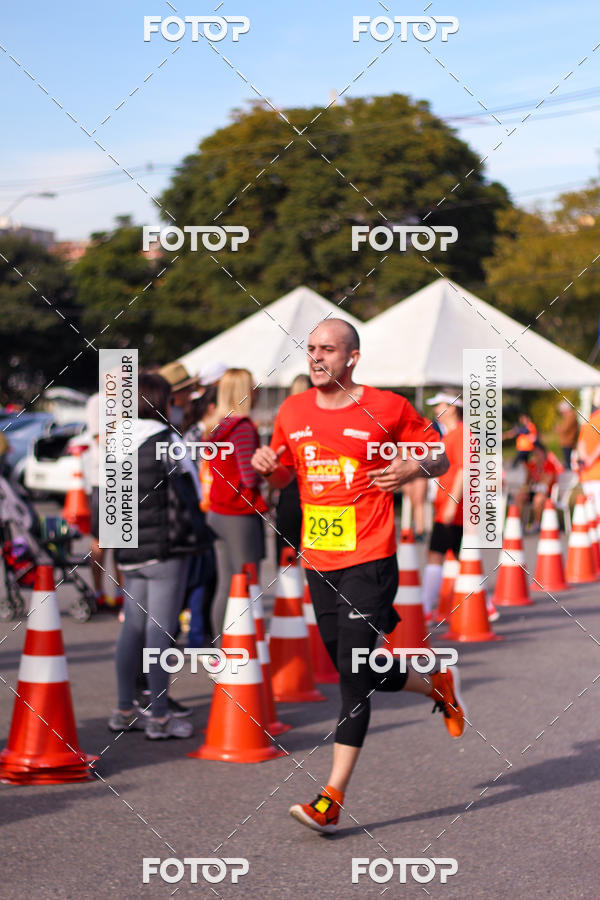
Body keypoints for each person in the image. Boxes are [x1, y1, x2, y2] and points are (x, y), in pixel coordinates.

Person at [252, 319, 465, 835]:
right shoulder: (292, 410)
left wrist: (414, 469)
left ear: (352, 358)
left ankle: (332, 797)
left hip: (370, 559)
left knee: (351, 682)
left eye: (328, 349)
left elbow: (439, 454)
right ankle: (436, 685)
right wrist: (267, 467)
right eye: (311, 349)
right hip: (318, 561)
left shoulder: (388, 406)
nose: (317, 357)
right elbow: (288, 475)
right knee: (360, 671)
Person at [108, 372, 205, 740]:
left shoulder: (116, 441)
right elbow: (193, 490)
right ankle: (160, 717)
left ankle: (122, 709)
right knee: (159, 632)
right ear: (162, 401)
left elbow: (106, 498)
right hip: (167, 549)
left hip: (130, 550)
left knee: (132, 627)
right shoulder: (168, 441)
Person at [205, 368, 267, 639]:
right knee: (247, 584)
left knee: (226, 584)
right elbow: (249, 476)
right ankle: (245, 650)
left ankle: (222, 648)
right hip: (240, 513)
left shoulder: (217, 427)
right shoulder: (243, 429)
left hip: (219, 510)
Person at [421, 392, 463, 622]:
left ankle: (425, 606)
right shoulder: (449, 436)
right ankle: (485, 606)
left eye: (440, 405)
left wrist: (451, 503)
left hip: (454, 508)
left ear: (453, 407)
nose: (436, 410)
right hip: (448, 506)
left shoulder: (462, 433)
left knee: (437, 554)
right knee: (458, 557)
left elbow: (465, 471)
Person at [86, 392, 124, 610]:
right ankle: (98, 591)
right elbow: (101, 439)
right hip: (104, 481)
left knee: (122, 538)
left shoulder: (129, 398)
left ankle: (121, 592)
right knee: (101, 540)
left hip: (124, 480)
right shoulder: (97, 402)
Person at [275, 374, 311, 561]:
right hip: (312, 491)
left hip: (288, 490)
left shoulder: (285, 417)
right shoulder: (320, 419)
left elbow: (277, 459)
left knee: (286, 556)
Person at [515, 441, 563, 531]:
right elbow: (527, 483)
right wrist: (528, 473)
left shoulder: (549, 465)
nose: (535, 456)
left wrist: (540, 473)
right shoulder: (532, 466)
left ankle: (537, 524)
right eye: (534, 453)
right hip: (533, 491)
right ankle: (518, 524)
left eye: (538, 453)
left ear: (543, 453)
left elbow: (545, 486)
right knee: (519, 496)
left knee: (538, 499)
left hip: (546, 494)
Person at [575, 406, 600, 512]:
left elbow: (581, 444)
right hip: (597, 472)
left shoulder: (588, 422)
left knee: (591, 510)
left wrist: (586, 460)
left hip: (586, 474)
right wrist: (591, 459)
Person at [556, 400, 579, 469]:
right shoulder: (569, 416)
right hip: (567, 442)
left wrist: (558, 429)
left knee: (569, 463)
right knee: (567, 462)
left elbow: (565, 429)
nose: (562, 414)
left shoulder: (571, 416)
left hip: (568, 442)